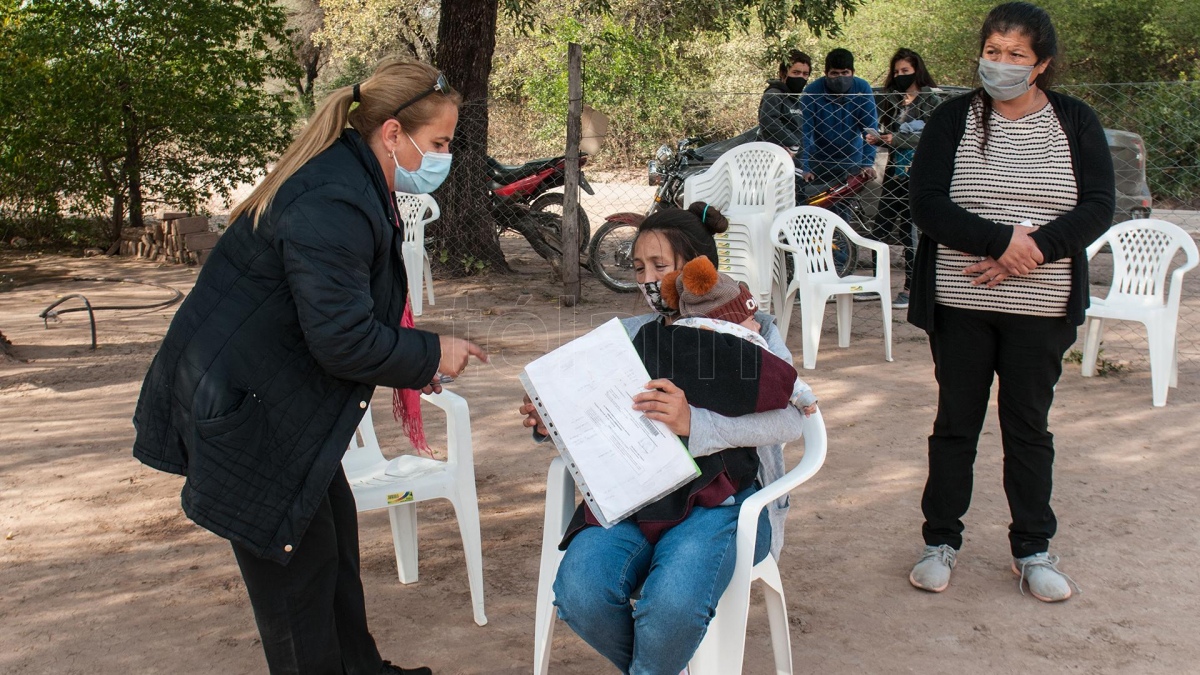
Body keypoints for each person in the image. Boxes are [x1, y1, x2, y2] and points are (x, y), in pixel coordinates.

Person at [131, 60, 488, 674]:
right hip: (246, 413)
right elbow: (342, 340)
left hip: (271, 401)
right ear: (394, 133)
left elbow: (336, 317)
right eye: (440, 143)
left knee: (331, 549)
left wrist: (411, 364)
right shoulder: (333, 197)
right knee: (296, 588)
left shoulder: (351, 180)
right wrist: (430, 352)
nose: (444, 157)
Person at [519, 203, 808, 674]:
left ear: (699, 271)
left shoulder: (753, 331)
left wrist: (695, 422)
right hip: (633, 497)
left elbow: (791, 421)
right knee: (581, 593)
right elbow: (599, 414)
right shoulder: (628, 336)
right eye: (638, 268)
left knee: (671, 607)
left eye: (660, 266)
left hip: (722, 504)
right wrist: (552, 421)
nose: (648, 280)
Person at [906, 1, 1115, 603]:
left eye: (1015, 54)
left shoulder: (1075, 121)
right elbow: (927, 204)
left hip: (1042, 306)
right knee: (955, 424)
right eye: (992, 52)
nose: (1000, 64)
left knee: (1028, 428)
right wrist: (1003, 242)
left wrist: (1031, 253)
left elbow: (1099, 205)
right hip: (961, 300)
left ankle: (1033, 550)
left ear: (1041, 62)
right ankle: (940, 542)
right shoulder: (953, 119)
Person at [660, 255, 818, 416]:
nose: (758, 325)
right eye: (752, 319)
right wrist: (803, 396)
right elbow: (779, 371)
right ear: (731, 321)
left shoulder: (677, 336)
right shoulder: (746, 341)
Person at [866, 48, 943, 309]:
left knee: (910, 231)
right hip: (893, 173)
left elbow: (931, 137)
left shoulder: (931, 100)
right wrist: (878, 138)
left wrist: (895, 139)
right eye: (896, 72)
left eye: (905, 71)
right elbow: (887, 132)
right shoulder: (893, 100)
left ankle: (911, 288)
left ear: (917, 71)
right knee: (881, 228)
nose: (900, 76)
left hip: (916, 174)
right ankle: (876, 284)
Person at [800, 48, 880, 187]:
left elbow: (870, 128)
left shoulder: (862, 89)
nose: (840, 78)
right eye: (835, 73)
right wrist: (805, 167)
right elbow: (804, 132)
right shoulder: (812, 92)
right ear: (826, 74)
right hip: (819, 159)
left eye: (845, 73)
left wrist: (867, 163)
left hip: (852, 158)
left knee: (845, 204)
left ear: (853, 73)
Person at [757, 49, 812, 161]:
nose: (801, 77)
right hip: (776, 158)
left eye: (805, 74)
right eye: (796, 72)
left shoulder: (795, 99)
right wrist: (793, 143)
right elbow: (768, 120)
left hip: (798, 160)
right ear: (783, 73)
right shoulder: (774, 94)